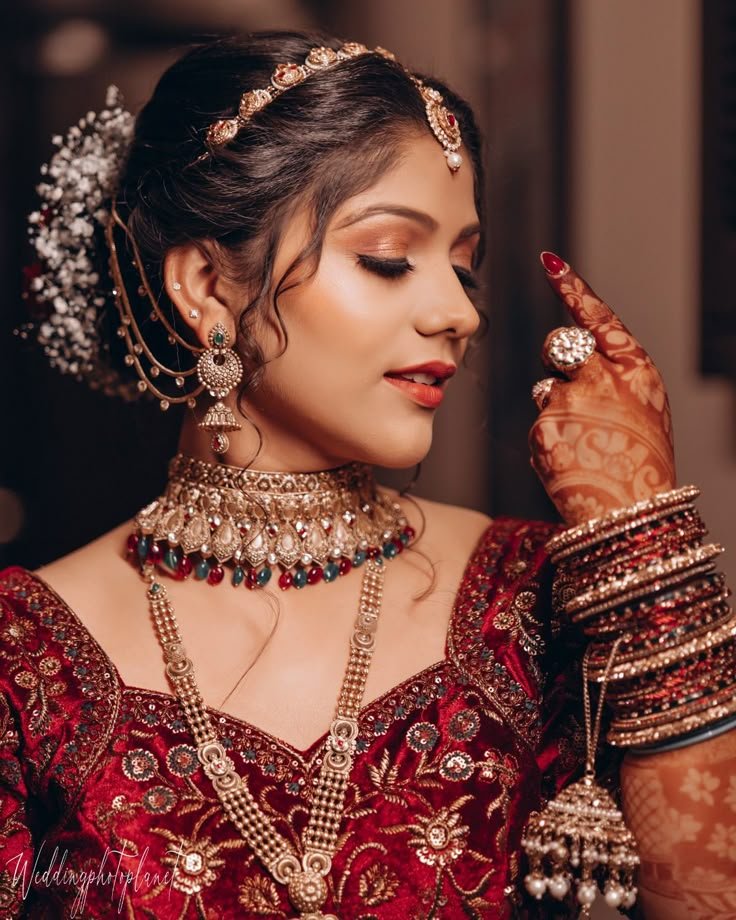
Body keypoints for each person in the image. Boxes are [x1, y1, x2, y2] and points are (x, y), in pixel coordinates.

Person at [1, 30, 734, 919]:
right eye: (388, 257)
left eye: (465, 266)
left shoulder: (535, 593)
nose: (457, 311)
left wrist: (645, 539)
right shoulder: (28, 656)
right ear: (205, 285)